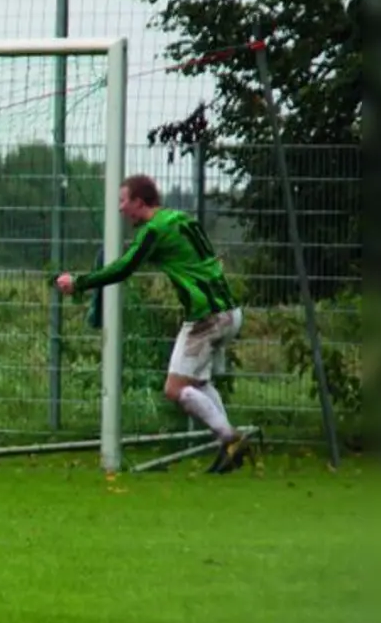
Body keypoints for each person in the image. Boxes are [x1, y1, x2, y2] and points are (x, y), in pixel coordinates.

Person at [55, 173, 248, 474]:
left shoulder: (153, 230)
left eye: (123, 202)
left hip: (206, 316)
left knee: (174, 389)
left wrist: (79, 282)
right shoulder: (180, 219)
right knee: (199, 383)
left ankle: (229, 437)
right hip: (230, 311)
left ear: (139, 202)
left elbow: (124, 267)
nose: (120, 209)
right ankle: (228, 449)